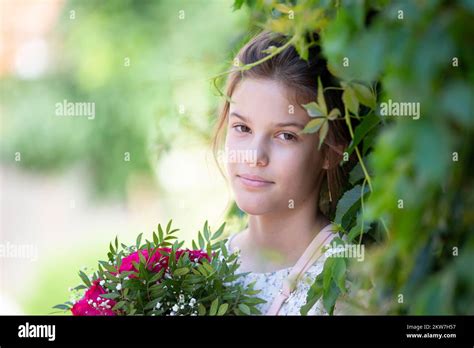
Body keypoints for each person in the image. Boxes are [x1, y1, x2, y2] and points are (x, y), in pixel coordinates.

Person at [212, 30, 355, 315]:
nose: (254, 157)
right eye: (242, 128)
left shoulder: (349, 284)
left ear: (330, 151)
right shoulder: (205, 267)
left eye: (285, 136)